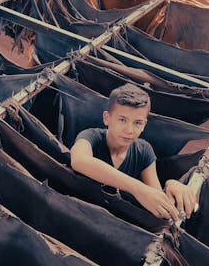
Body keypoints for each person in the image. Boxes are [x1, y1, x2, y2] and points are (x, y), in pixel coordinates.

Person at [70, 83, 196, 220]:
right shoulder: (91, 136)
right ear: (107, 118)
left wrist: (172, 185)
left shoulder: (144, 150)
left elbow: (156, 200)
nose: (129, 130)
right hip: (77, 212)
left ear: (144, 125)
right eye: (122, 120)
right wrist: (137, 188)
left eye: (137, 123)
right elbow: (79, 160)